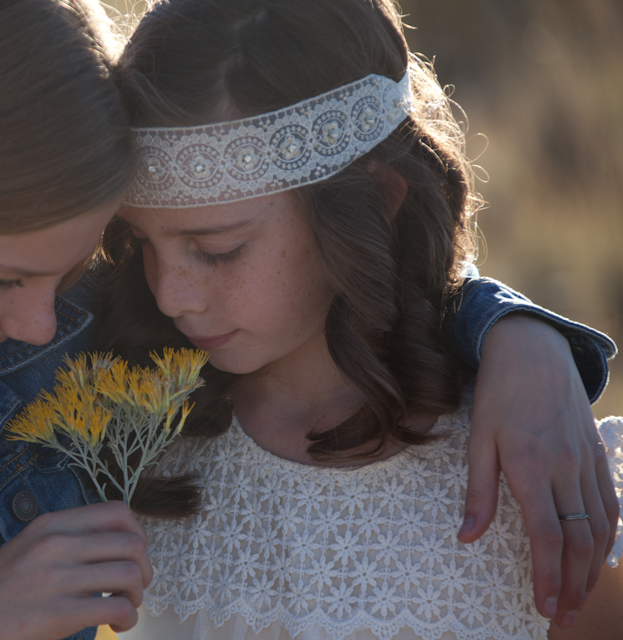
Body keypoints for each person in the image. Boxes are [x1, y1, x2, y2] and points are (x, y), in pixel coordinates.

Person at [0, 0, 615, 639]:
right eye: (2, 276)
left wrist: (521, 340)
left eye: (75, 270)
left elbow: (372, 266)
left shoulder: (68, 352)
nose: (43, 322)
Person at [96, 0, 623, 638]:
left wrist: (523, 335)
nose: (170, 294)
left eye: (217, 250)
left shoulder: (536, 463)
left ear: (371, 201)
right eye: (141, 243)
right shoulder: (125, 425)